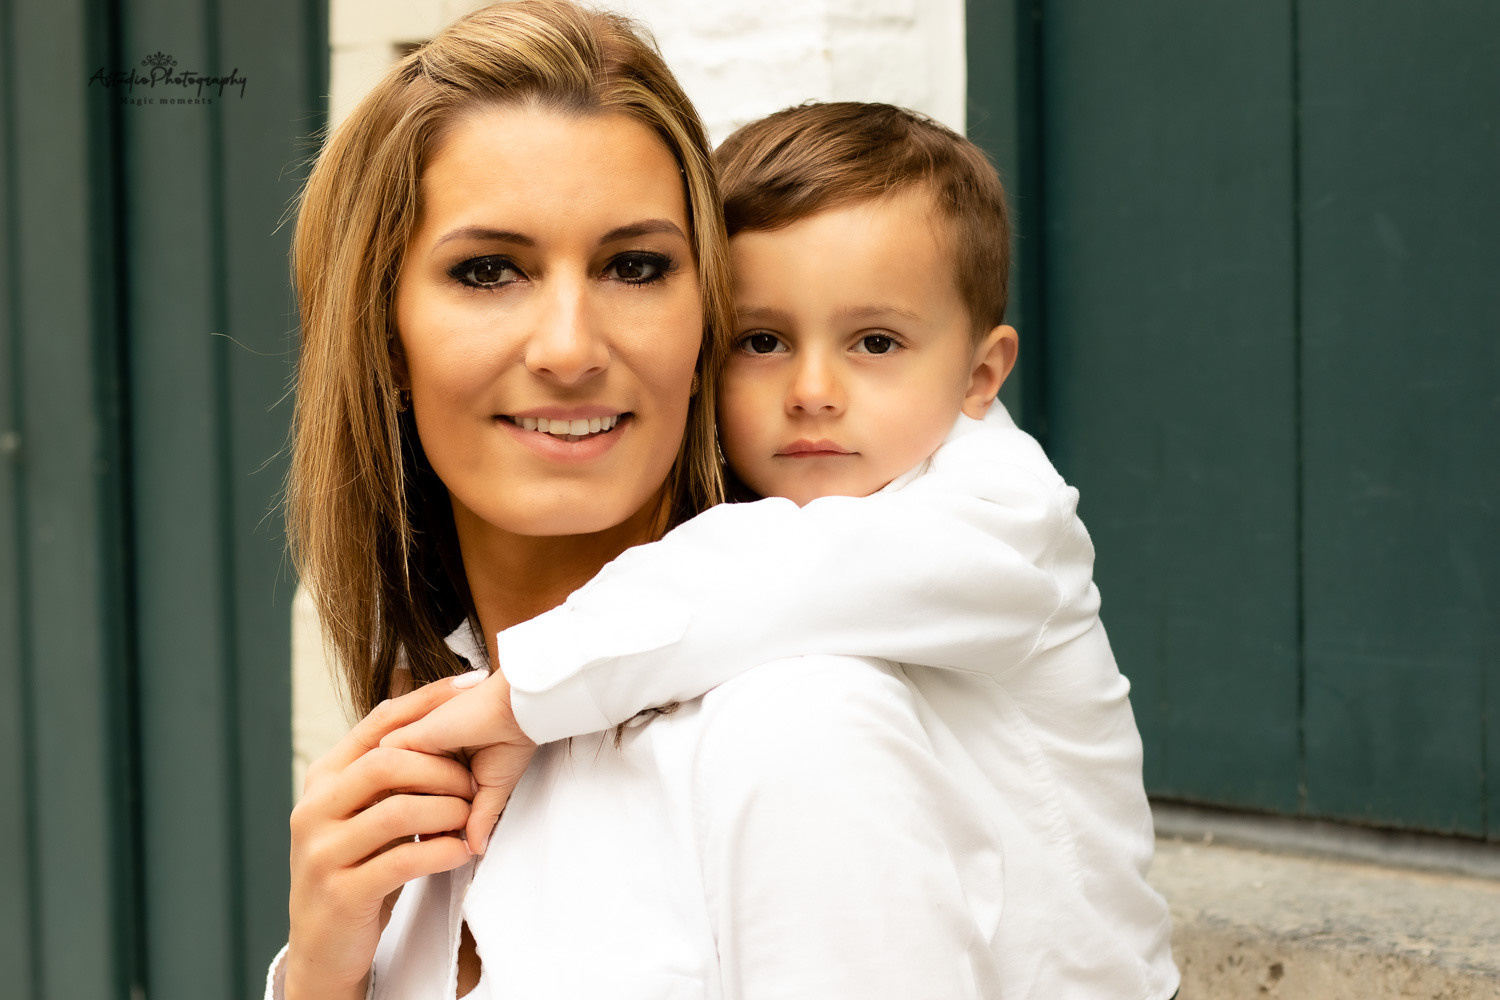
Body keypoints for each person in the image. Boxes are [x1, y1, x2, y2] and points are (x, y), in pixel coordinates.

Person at [272, 5, 1013, 999]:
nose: (571, 347)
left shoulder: (797, 731)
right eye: (489, 271)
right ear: (383, 337)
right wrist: (321, 976)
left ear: (705, 317)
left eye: (636, 266)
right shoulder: (422, 739)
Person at [387, 102, 1180, 998]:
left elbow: (790, 575)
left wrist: (523, 694)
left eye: (874, 342)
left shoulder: (998, 515)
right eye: (761, 342)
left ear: (981, 374)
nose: (811, 391)